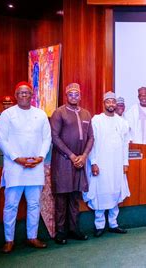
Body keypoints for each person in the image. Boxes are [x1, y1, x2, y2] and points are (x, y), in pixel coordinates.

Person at [0, 82, 51, 253]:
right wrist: (16, 158)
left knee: (34, 204)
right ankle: (9, 240)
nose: (24, 95)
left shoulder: (40, 114)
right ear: (16, 95)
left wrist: (41, 156)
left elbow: (46, 139)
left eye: (27, 92)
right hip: (15, 167)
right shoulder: (7, 115)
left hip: (35, 166)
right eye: (21, 93)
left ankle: (32, 237)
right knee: (11, 205)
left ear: (32, 95)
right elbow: (0, 139)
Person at [50, 83, 94, 244]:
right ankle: (60, 233)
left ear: (80, 96)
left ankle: (74, 230)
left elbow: (91, 138)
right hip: (63, 161)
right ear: (66, 96)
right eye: (71, 94)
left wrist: (83, 156)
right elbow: (54, 137)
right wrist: (71, 155)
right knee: (62, 197)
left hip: (80, 161)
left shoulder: (86, 114)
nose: (74, 96)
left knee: (75, 197)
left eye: (77, 94)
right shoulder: (59, 113)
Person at [84, 91, 130, 237]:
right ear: (103, 103)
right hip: (101, 163)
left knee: (115, 191)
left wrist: (125, 162)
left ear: (116, 104)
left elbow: (125, 145)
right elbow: (92, 143)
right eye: (108, 101)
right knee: (101, 192)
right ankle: (99, 225)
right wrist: (94, 162)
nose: (111, 104)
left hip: (117, 164)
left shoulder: (122, 122)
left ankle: (113, 223)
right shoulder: (96, 120)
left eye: (113, 101)